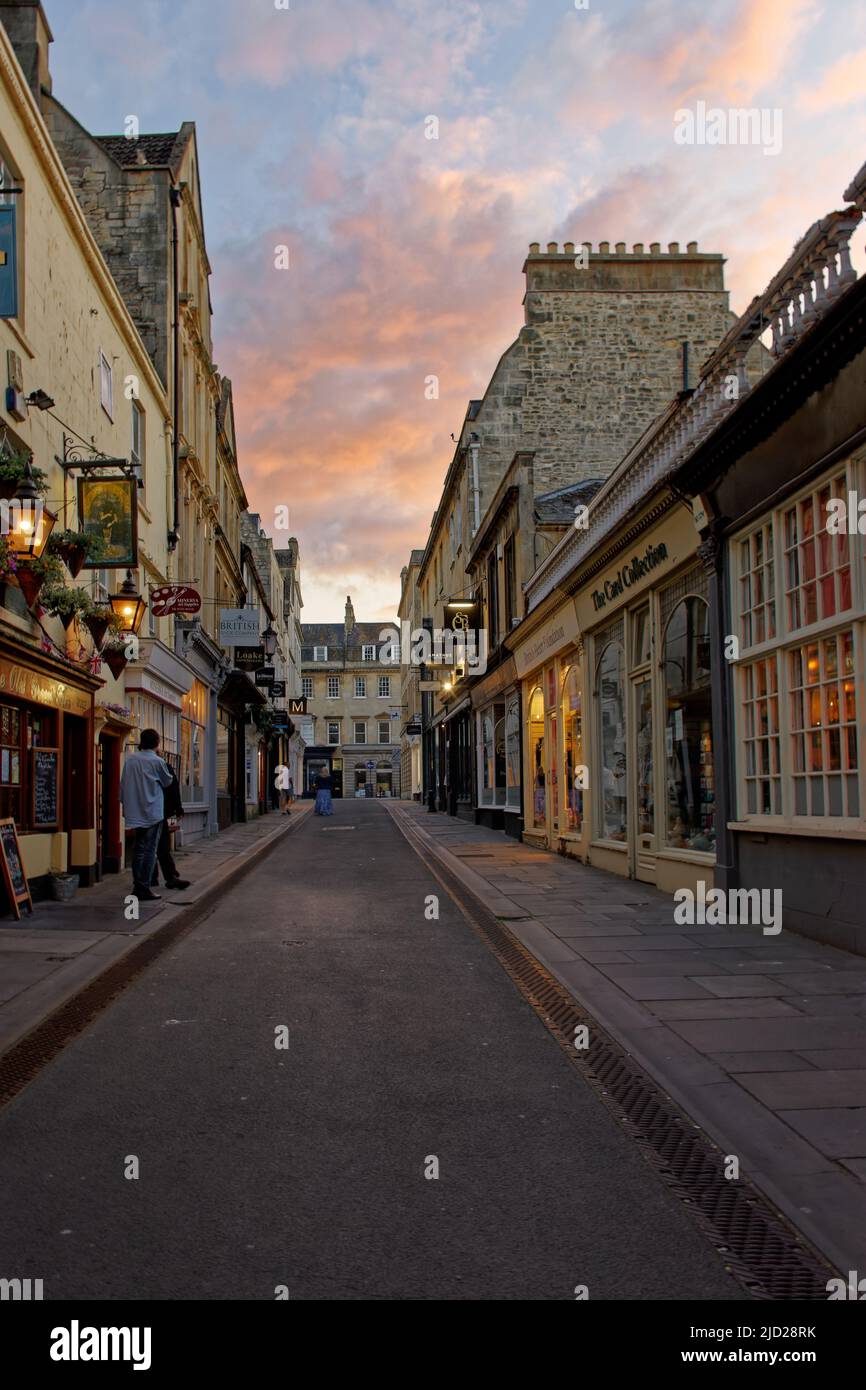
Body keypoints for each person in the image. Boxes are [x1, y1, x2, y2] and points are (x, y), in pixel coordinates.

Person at [119, 729, 174, 901]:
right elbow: (168, 781)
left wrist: (125, 804)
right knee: (150, 850)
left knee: (138, 849)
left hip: (135, 811)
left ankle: (138, 884)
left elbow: (123, 784)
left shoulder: (130, 760)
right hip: (153, 813)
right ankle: (144, 886)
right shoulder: (157, 762)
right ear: (157, 743)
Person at [150, 763, 191, 891]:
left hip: (145, 812)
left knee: (146, 847)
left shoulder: (135, 764)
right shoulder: (163, 766)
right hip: (162, 812)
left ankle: (151, 877)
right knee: (162, 846)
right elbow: (173, 788)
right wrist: (178, 809)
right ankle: (170, 877)